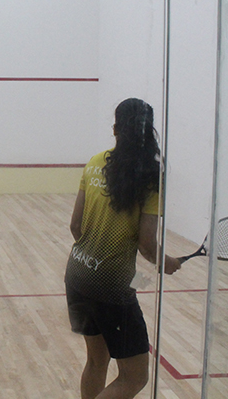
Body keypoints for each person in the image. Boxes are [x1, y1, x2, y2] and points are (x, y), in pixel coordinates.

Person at [64, 98, 181, 399]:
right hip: (111, 288)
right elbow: (147, 243)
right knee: (135, 377)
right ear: (148, 130)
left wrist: (95, 256)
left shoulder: (94, 162)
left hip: (77, 275)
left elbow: (75, 226)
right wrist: (165, 261)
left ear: (116, 129)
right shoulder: (151, 176)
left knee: (96, 361)